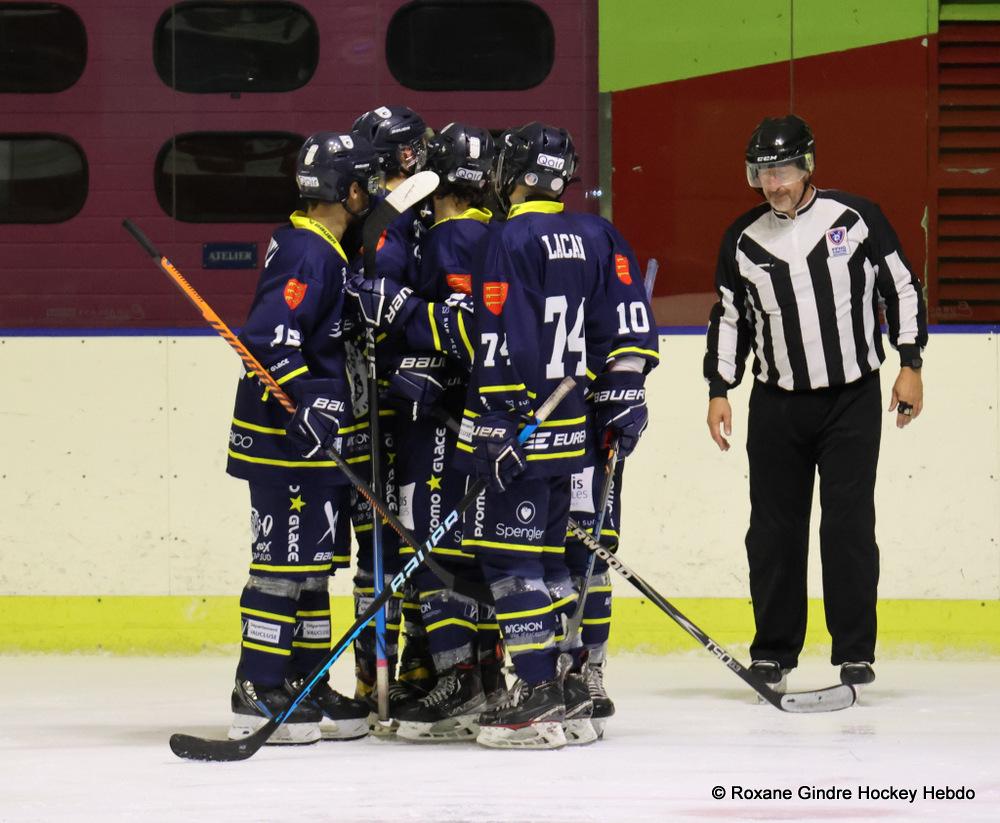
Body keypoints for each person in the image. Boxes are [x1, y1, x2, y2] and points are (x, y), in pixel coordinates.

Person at [703, 114, 927, 693]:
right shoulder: (743, 237)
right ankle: (774, 652)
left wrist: (910, 363)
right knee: (773, 531)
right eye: (761, 171)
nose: (772, 183)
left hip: (851, 399)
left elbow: (899, 286)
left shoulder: (855, 218)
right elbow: (730, 317)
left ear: (808, 167)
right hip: (777, 404)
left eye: (782, 169)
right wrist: (719, 389)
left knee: (849, 527)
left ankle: (854, 652)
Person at [456, 123, 659, 749]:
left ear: (515, 176)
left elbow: (499, 330)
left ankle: (539, 690)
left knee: (509, 557)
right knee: (552, 557)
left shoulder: (507, 237)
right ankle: (572, 687)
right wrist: (626, 394)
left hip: (520, 426)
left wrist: (498, 416)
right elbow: (626, 322)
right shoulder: (601, 234)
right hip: (571, 430)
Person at [223, 131, 381, 744]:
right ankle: (257, 684)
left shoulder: (325, 251)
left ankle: (305, 682)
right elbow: (268, 336)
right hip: (284, 439)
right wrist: (310, 399)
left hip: (312, 440)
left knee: (313, 566)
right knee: (282, 565)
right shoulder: (306, 252)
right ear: (349, 190)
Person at [349, 122, 504, 741]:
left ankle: (459, 678)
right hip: (455, 414)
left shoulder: (452, 235)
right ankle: (479, 676)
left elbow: (470, 332)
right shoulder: (477, 231)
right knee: (452, 543)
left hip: (440, 417)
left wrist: (399, 313)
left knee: (435, 542)